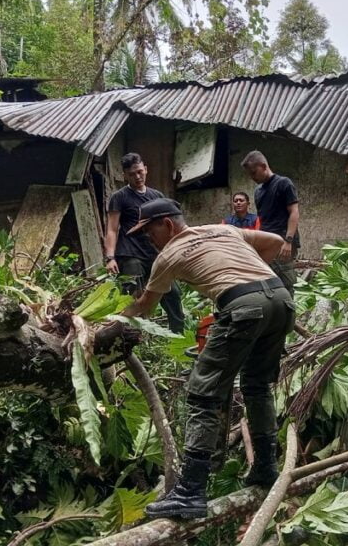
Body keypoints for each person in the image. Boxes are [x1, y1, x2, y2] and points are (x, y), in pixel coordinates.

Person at [119, 198, 294, 519]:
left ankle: (190, 492)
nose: (148, 240)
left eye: (149, 232)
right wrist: (246, 273)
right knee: (257, 386)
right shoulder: (223, 228)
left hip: (244, 308)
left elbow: (144, 307)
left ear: (167, 225)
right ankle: (266, 467)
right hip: (281, 299)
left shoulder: (168, 255)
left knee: (203, 393)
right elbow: (276, 242)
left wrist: (110, 318)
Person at [103, 153, 185, 334]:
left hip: (154, 254)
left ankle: (178, 335)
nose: (137, 177)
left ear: (146, 169)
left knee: (172, 293)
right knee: (132, 294)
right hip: (130, 254)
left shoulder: (156, 196)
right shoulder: (120, 197)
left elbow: (168, 226)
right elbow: (112, 228)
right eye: (132, 174)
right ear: (125, 175)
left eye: (140, 172)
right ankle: (126, 334)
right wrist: (110, 257)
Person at [240, 151, 300, 295]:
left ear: (263, 166)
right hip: (267, 243)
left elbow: (294, 212)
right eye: (250, 174)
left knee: (286, 285)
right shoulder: (258, 191)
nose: (252, 177)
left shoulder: (283, 183)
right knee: (267, 285)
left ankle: (289, 316)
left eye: (254, 173)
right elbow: (263, 220)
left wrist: (288, 241)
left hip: (283, 243)